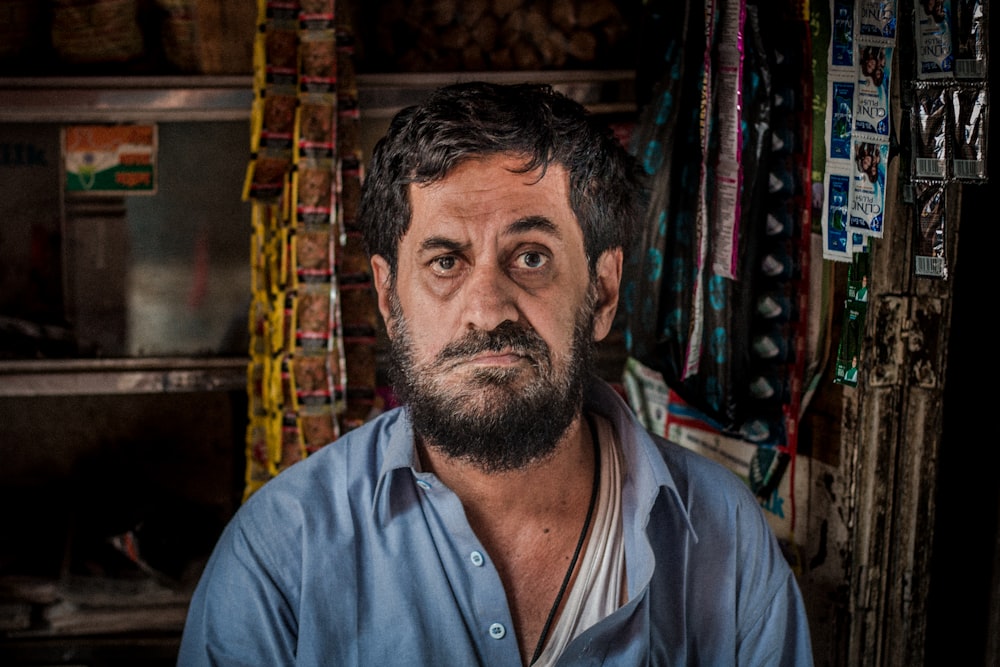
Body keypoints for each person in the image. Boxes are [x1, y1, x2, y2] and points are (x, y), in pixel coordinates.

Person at [177, 81, 814, 666]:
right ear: (389, 299)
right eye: (446, 261)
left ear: (602, 292)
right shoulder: (280, 555)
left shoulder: (720, 535)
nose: (486, 310)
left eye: (531, 256)